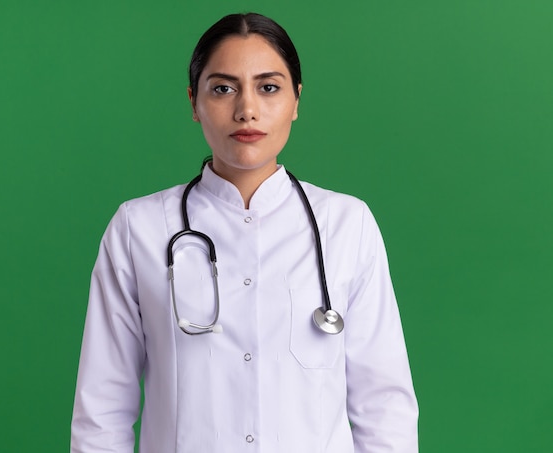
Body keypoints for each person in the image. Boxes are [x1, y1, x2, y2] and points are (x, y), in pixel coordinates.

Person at [71, 12, 418, 453]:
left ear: (296, 100)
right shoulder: (138, 228)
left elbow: (384, 405)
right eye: (222, 88)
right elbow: (102, 410)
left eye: (268, 87)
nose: (246, 109)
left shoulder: (347, 225)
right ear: (194, 102)